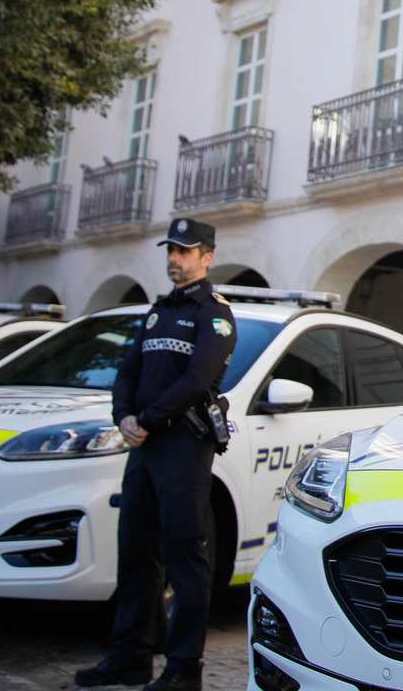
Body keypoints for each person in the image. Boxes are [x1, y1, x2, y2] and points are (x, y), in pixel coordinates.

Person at [75, 218, 237, 691]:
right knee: (135, 552)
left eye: (184, 251)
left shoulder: (214, 314)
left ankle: (183, 670)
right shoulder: (158, 311)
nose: (174, 258)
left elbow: (197, 380)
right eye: (171, 250)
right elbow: (128, 370)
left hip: (182, 446)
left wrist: (145, 419)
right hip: (144, 447)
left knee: (184, 559)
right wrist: (123, 416)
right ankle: (131, 658)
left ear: (207, 257)